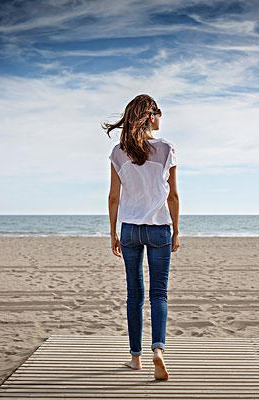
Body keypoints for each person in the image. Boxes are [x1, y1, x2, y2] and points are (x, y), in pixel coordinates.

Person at [103, 94, 180, 381]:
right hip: (159, 227)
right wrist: (176, 229)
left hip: (131, 230)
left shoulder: (118, 152)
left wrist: (113, 232)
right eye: (159, 113)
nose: (161, 119)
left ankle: (135, 358)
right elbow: (172, 195)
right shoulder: (166, 149)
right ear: (150, 116)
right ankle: (158, 351)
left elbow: (113, 197)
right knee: (159, 293)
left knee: (134, 294)